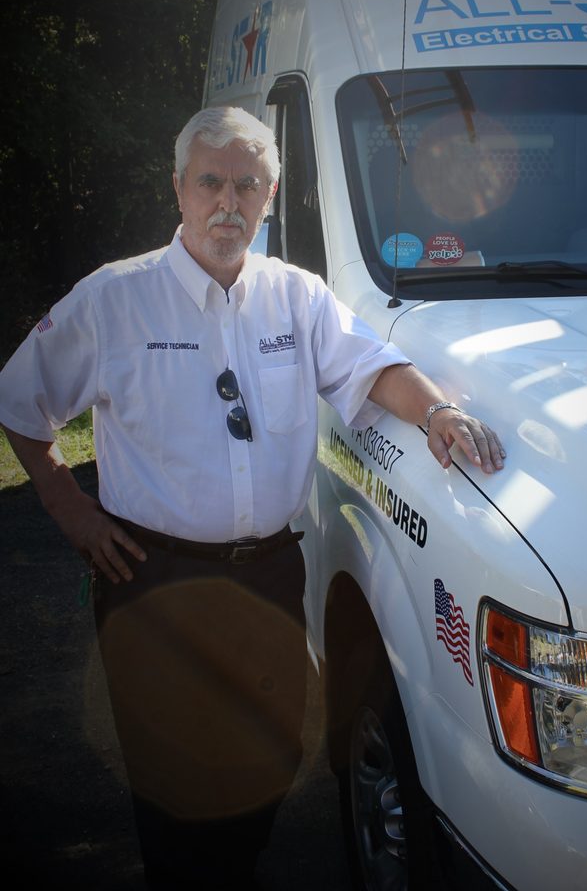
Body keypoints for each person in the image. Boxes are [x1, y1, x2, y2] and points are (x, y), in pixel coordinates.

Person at [0, 106, 505, 889]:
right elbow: (18, 401)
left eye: (248, 185)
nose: (227, 203)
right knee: (173, 796)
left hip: (268, 578)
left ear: (270, 197)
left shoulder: (295, 298)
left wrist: (437, 410)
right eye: (211, 182)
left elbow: (373, 369)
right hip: (153, 582)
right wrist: (71, 508)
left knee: (267, 765)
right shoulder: (114, 300)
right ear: (178, 189)